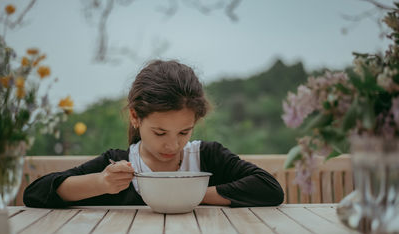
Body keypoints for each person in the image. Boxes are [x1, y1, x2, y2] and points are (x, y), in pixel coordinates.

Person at [23, 60, 284, 208]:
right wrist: (101, 183)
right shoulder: (118, 166)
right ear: (135, 117)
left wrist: (188, 195)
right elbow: (34, 194)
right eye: (160, 132)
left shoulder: (207, 156)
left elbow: (269, 189)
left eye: (184, 132)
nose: (173, 144)